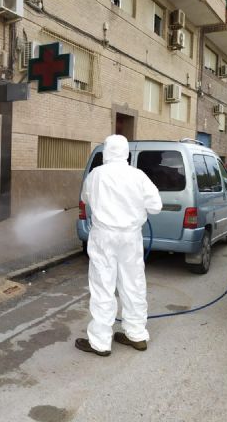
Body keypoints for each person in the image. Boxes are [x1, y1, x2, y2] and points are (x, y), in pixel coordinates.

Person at [76, 134, 162, 356]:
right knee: (133, 284)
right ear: (126, 153)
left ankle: (100, 342)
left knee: (102, 286)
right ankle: (136, 335)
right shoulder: (138, 175)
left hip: (103, 237)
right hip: (130, 238)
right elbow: (156, 206)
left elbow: (85, 199)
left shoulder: (96, 175)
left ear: (106, 152)